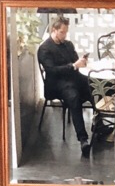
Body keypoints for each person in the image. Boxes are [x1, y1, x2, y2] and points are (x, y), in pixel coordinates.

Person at [37, 15, 97, 156]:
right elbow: (52, 71)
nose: (64, 35)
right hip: (56, 83)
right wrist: (73, 66)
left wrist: (81, 62)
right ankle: (83, 139)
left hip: (73, 78)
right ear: (54, 30)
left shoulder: (68, 45)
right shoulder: (44, 49)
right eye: (62, 32)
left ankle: (99, 124)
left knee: (94, 87)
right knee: (73, 97)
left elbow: (75, 62)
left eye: (65, 32)